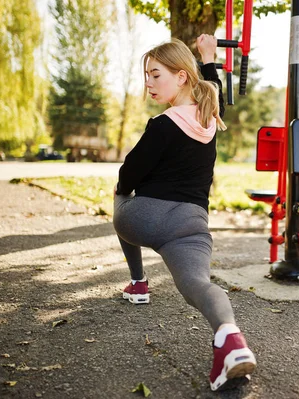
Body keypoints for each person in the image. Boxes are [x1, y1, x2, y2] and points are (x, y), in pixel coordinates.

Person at [112, 34, 256, 391]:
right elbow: (215, 87)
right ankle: (230, 337)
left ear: (181, 77)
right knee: (198, 285)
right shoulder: (210, 114)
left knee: (119, 195)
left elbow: (130, 172)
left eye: (155, 74)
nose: (148, 82)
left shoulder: (162, 124)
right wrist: (210, 55)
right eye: (146, 75)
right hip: (191, 225)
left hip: (143, 218)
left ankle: (139, 283)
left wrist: (122, 193)